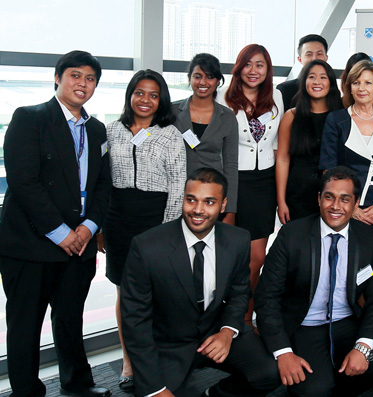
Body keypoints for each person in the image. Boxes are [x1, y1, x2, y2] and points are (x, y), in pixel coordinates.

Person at [0, 50, 112, 397]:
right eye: (75, 75)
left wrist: (88, 228)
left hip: (79, 244)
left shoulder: (95, 129)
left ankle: (78, 385)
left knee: (69, 319)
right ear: (58, 77)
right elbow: (23, 181)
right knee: (26, 325)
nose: (83, 84)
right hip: (30, 244)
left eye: (90, 78)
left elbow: (102, 185)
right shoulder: (30, 118)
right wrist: (62, 232)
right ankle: (26, 392)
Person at [121, 168, 281, 397]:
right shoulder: (146, 247)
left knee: (270, 373)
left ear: (223, 205)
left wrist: (228, 331)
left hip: (215, 331)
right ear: (183, 199)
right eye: (191, 200)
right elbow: (135, 323)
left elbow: (239, 294)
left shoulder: (238, 239)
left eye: (209, 202)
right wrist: (155, 389)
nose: (198, 210)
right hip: (169, 343)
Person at [254, 166, 373, 396]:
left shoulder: (369, 239)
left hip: (346, 321)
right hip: (303, 325)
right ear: (319, 199)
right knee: (314, 390)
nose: (336, 206)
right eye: (329, 197)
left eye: (345, 199)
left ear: (356, 203)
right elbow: (266, 297)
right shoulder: (291, 235)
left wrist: (362, 346)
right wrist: (283, 352)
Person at [101, 69, 187, 393]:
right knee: (125, 292)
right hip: (119, 220)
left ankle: (159, 357)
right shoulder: (112, 131)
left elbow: (179, 186)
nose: (145, 100)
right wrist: (100, 226)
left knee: (160, 293)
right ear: (130, 95)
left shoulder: (171, 134)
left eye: (153, 94)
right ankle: (128, 359)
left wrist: (168, 228)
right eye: (139, 93)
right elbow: (103, 181)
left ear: (161, 99)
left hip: (156, 219)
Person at [220, 44, 284, 327]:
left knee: (256, 257)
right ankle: (226, 319)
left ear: (268, 69)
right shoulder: (224, 98)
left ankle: (245, 322)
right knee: (231, 256)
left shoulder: (277, 97)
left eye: (260, 64)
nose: (253, 70)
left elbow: (280, 146)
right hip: (234, 181)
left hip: (264, 183)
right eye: (248, 64)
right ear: (238, 67)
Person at [319, 60, 373, 237]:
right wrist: (349, 208)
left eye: (368, 83)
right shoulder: (336, 120)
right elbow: (329, 168)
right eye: (356, 83)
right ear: (349, 87)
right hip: (342, 206)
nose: (361, 88)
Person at [172, 53, 238, 225]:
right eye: (197, 76)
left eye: (210, 77)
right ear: (189, 78)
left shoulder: (228, 117)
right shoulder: (172, 112)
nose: (203, 82)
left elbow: (231, 165)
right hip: (176, 193)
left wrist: (230, 209)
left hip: (211, 196)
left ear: (218, 81)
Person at [276, 60, 344, 223]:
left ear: (331, 83)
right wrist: (281, 201)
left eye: (323, 77)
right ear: (304, 81)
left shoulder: (341, 117)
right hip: (298, 192)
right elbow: (283, 159)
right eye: (311, 77)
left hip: (332, 192)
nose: (317, 82)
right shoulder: (290, 116)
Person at [278, 34, 330, 110]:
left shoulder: (331, 89)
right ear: (300, 59)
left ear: (326, 58)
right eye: (309, 54)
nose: (314, 58)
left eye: (319, 54)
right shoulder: (285, 89)